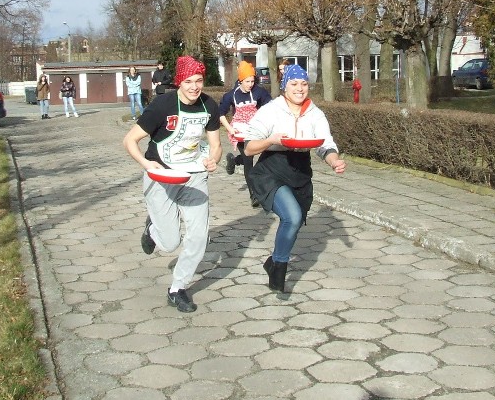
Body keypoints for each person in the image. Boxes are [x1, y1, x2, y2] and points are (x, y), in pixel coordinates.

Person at [123, 56, 222, 313]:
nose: (194, 86)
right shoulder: (162, 105)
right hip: (161, 176)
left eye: (199, 80)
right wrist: (147, 165)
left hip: (194, 175)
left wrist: (214, 160)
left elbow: (216, 145)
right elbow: (129, 141)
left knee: (199, 235)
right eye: (188, 81)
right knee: (169, 243)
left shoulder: (209, 106)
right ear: (179, 81)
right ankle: (152, 230)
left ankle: (178, 288)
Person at [244, 64, 346, 293]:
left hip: (300, 171)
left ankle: (272, 262)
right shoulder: (271, 110)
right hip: (272, 169)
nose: (300, 89)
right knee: (292, 216)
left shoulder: (315, 114)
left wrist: (334, 161)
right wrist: (271, 140)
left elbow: (326, 145)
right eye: (294, 84)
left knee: (296, 221)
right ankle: (280, 269)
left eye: (304, 84)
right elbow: (249, 148)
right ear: (284, 87)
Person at [219, 61, 271, 207]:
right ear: (240, 80)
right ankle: (253, 195)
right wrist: (230, 129)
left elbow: (270, 106)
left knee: (251, 156)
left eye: (252, 81)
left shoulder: (259, 92)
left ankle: (234, 160)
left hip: (255, 128)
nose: (250, 84)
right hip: (239, 130)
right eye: (247, 81)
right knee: (249, 160)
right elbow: (221, 114)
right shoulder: (231, 95)